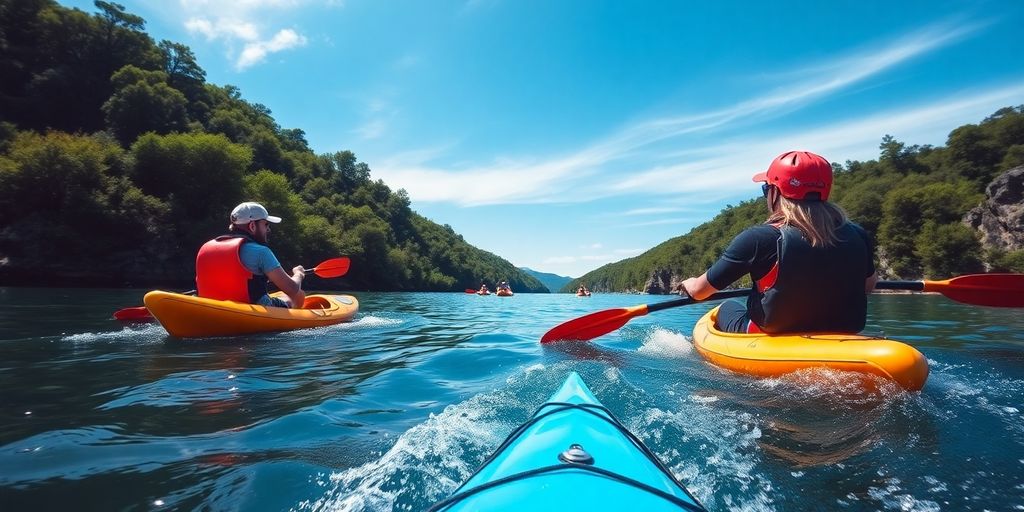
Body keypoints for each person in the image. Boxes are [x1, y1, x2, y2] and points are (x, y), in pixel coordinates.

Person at [678, 151, 877, 334]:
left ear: (775, 192)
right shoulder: (858, 234)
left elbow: (699, 292)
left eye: (766, 189)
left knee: (727, 306)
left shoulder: (759, 239)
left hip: (773, 331)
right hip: (844, 331)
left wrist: (689, 284)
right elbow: (868, 286)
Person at [195, 202, 306, 308]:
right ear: (252, 226)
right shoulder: (261, 252)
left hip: (212, 307)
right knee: (297, 295)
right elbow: (292, 288)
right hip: (254, 309)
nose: (268, 229)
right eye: (265, 224)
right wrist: (298, 274)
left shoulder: (205, 248)